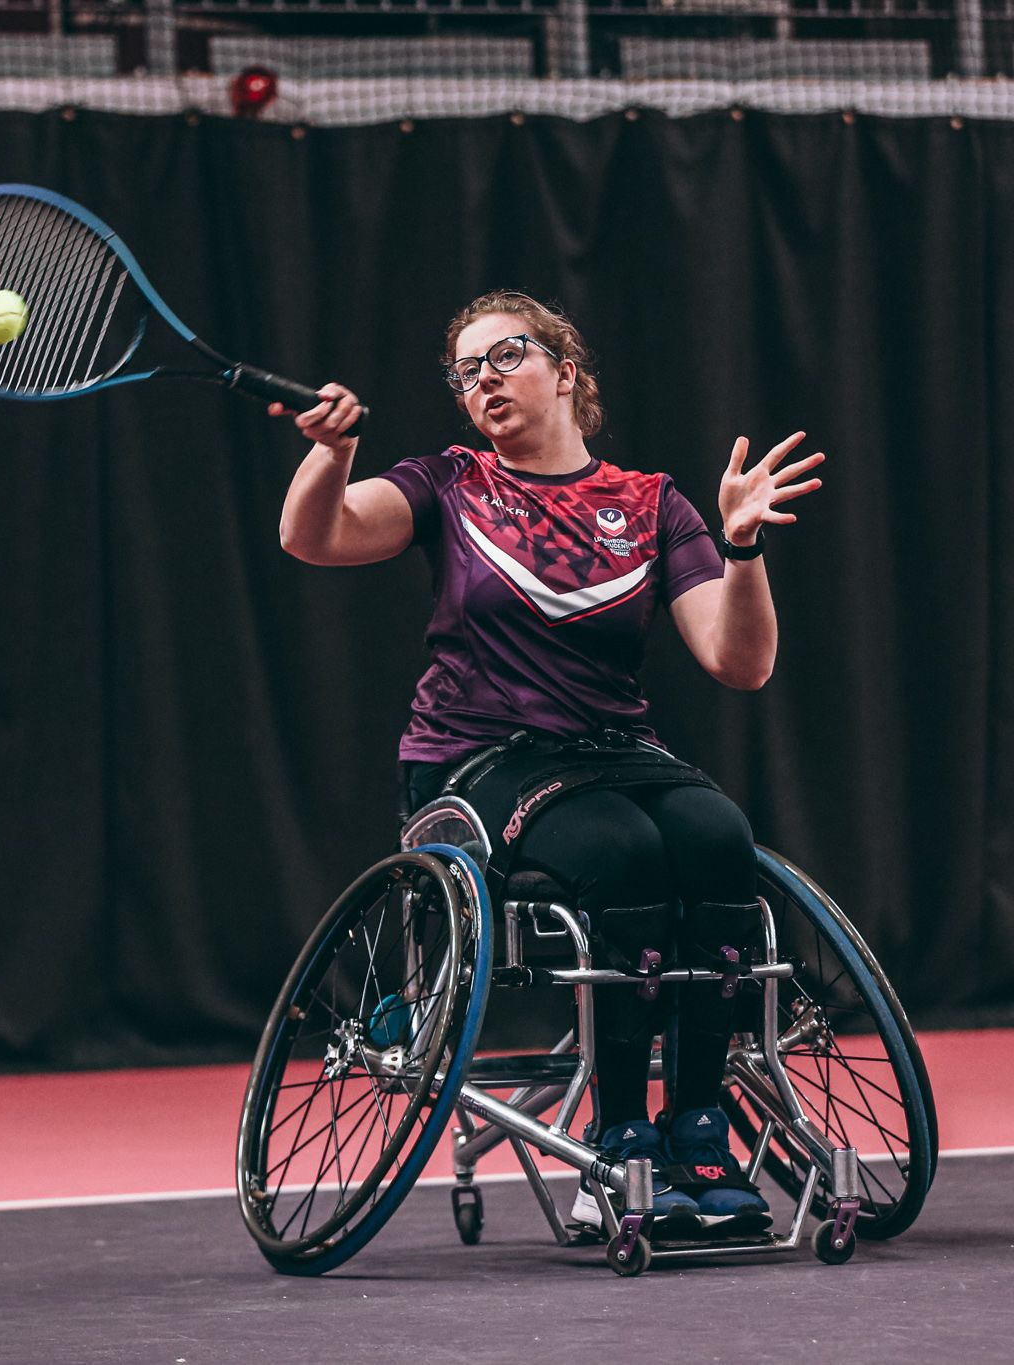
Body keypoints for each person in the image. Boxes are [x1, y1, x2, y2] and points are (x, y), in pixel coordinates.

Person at [275, 290, 824, 1238]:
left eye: (506, 354)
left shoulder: (653, 504)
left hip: (612, 753)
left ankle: (699, 1128)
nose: (483, 378)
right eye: (466, 369)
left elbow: (742, 662)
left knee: (717, 834)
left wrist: (741, 544)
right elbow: (312, 536)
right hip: (477, 761)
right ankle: (619, 1137)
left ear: (566, 369)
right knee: (621, 853)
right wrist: (331, 452)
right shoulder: (446, 482)